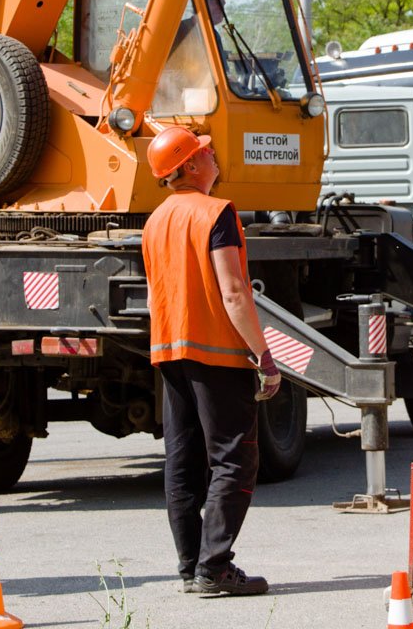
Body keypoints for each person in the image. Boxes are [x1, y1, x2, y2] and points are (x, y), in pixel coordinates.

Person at [140, 126, 281, 597]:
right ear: (190, 166)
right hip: (217, 351)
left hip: (169, 351)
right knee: (234, 459)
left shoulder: (156, 220)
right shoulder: (216, 213)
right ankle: (214, 567)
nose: (213, 155)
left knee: (181, 461)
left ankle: (190, 566)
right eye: (205, 151)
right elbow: (234, 291)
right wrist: (263, 355)